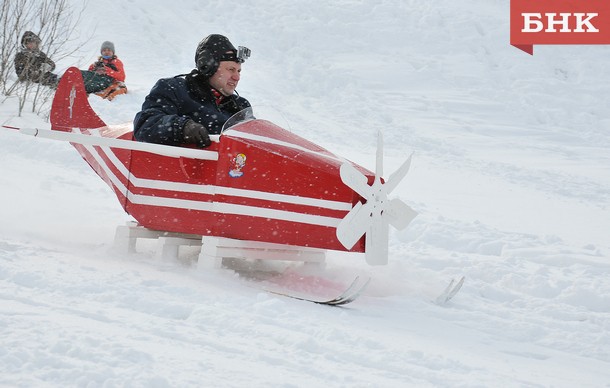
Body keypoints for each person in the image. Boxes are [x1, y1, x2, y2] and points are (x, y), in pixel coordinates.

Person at [134, 34, 251, 148]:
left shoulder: (240, 107)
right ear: (208, 67)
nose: (237, 77)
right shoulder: (175, 89)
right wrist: (182, 127)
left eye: (239, 71)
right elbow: (146, 124)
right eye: (231, 69)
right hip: (182, 166)